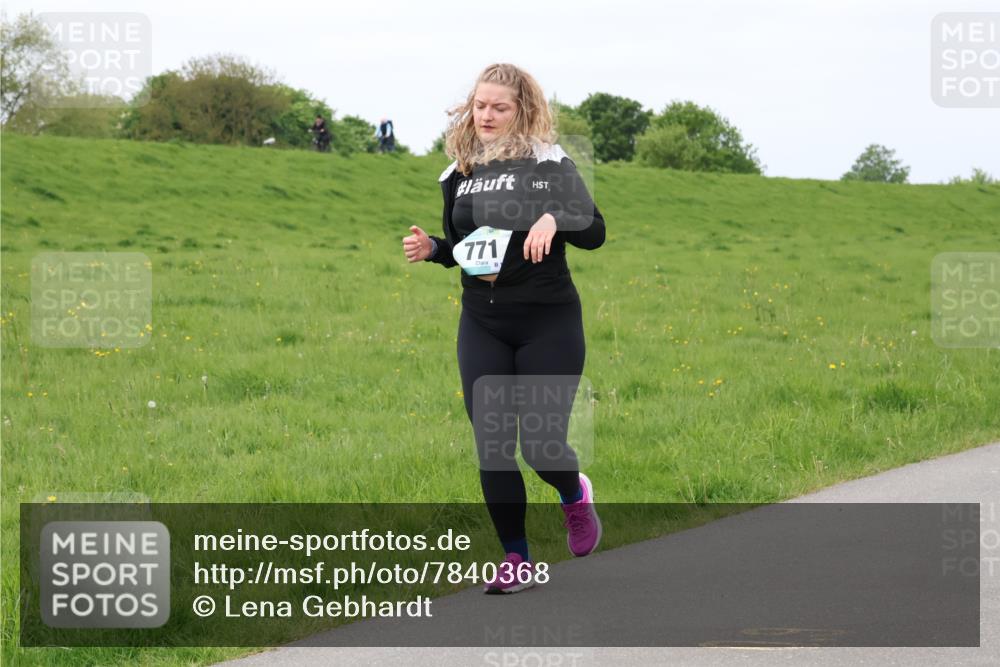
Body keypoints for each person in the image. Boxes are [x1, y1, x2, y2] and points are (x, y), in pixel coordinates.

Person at [401, 63, 606, 595]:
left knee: (541, 446)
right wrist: (435, 252)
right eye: (480, 105)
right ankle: (515, 559)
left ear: (522, 110)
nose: (486, 115)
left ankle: (573, 496)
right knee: (492, 444)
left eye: (500, 107)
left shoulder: (547, 163)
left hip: (548, 320)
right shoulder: (458, 172)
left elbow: (595, 229)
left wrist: (554, 218)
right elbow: (469, 248)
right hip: (483, 321)